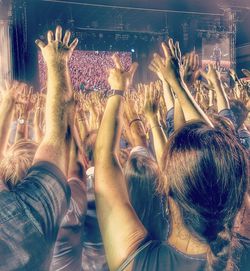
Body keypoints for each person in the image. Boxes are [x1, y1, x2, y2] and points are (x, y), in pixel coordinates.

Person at [94, 39, 250, 271]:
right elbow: (214, 151)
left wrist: (118, 89)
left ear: (165, 186)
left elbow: (104, 157)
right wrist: (179, 86)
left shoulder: (140, 263)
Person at [0, 26, 78, 270]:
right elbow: (57, 135)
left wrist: (9, 105)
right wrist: (56, 65)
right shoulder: (32, 216)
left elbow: (56, 136)